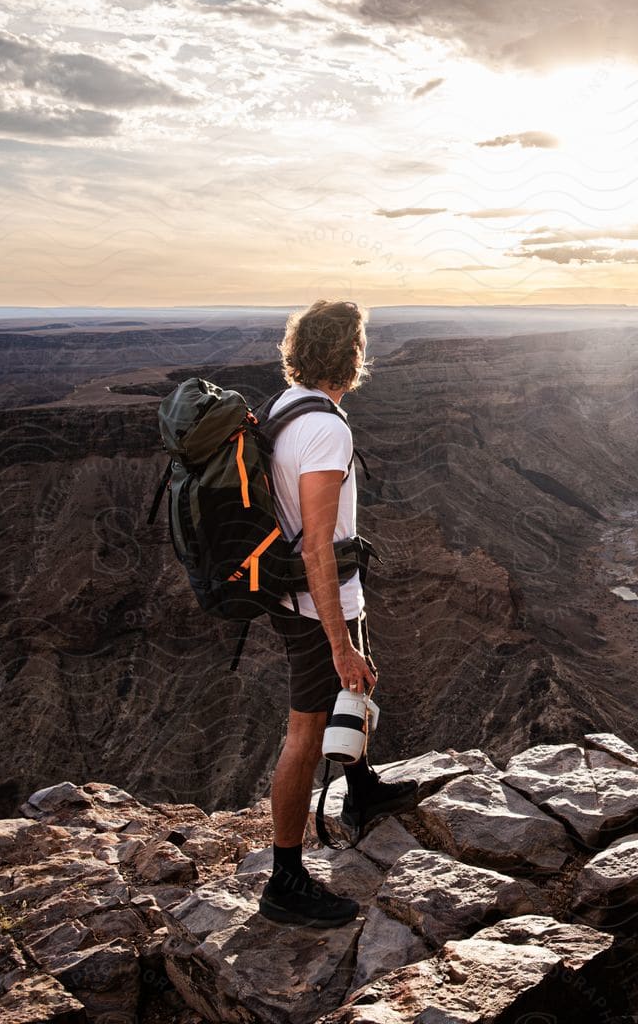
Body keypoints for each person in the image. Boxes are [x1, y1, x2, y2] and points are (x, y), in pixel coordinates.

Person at [256, 299, 417, 928]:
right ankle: (285, 878)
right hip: (311, 604)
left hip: (309, 596)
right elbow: (317, 543)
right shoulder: (326, 428)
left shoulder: (283, 409)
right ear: (351, 356)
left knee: (354, 689)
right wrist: (337, 641)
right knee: (304, 735)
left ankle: (363, 789)